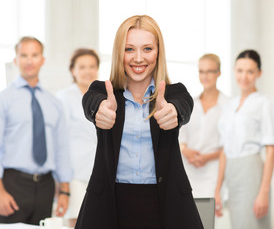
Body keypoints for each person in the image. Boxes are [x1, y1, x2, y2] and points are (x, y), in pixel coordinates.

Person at [75, 15, 204, 229]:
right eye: (129, 49)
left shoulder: (174, 94)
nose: (138, 58)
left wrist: (174, 113)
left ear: (158, 52)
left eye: (147, 49)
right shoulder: (102, 92)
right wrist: (99, 110)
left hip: (163, 205)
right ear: (119, 53)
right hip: (110, 204)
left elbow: (184, 105)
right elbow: (91, 101)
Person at [0, 37, 72, 225]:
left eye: (34, 55)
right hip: (12, 185)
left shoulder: (54, 103)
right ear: (15, 60)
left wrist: (64, 190)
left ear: (43, 60)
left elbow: (61, 147)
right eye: (24, 55)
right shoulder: (4, 100)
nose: (29, 61)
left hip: (46, 186)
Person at [215, 50, 274, 229]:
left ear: (259, 73)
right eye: (240, 70)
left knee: (252, 224)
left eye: (250, 71)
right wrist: (218, 189)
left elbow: (270, 148)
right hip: (232, 173)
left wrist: (264, 191)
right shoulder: (228, 106)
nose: (244, 76)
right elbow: (224, 149)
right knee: (238, 224)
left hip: (252, 172)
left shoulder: (264, 103)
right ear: (234, 71)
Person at [56, 48, 100, 220]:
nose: (87, 71)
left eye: (92, 66)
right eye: (82, 67)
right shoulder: (64, 97)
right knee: (77, 220)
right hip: (75, 173)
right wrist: (62, 181)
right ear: (73, 71)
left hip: (101, 171)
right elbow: (60, 140)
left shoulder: (105, 96)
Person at [179, 53, 228, 198]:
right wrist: (186, 151)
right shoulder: (190, 104)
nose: (205, 76)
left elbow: (228, 146)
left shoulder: (228, 106)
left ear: (218, 73)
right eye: (201, 71)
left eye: (210, 71)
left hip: (212, 174)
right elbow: (181, 138)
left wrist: (206, 157)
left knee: (208, 219)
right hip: (188, 170)